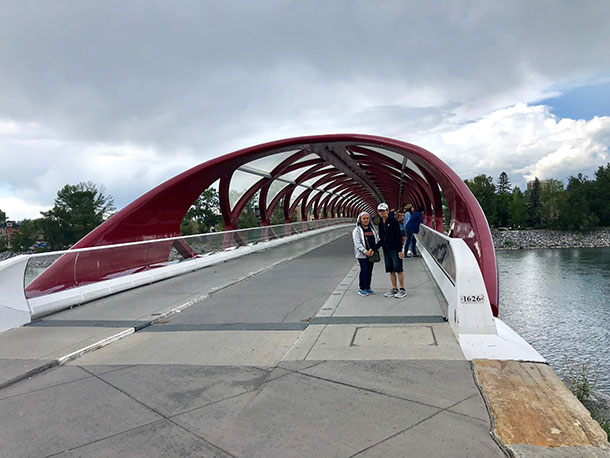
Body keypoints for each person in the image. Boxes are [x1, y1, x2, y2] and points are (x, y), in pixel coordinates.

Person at [377, 203, 407, 298]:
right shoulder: (380, 223)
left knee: (398, 269)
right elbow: (381, 238)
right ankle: (394, 288)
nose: (382, 213)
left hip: (395, 249)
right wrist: (374, 248)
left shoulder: (393, 221)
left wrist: (400, 250)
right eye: (380, 211)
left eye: (383, 210)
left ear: (387, 210)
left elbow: (398, 235)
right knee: (391, 269)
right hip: (386, 249)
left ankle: (402, 289)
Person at [352, 212, 380, 296]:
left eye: (367, 218)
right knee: (364, 270)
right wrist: (365, 251)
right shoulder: (357, 230)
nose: (366, 220)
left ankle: (368, 287)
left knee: (370, 271)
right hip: (362, 254)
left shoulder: (373, 229)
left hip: (371, 253)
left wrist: (373, 249)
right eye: (364, 218)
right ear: (360, 220)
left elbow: (377, 239)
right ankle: (362, 288)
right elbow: (357, 243)